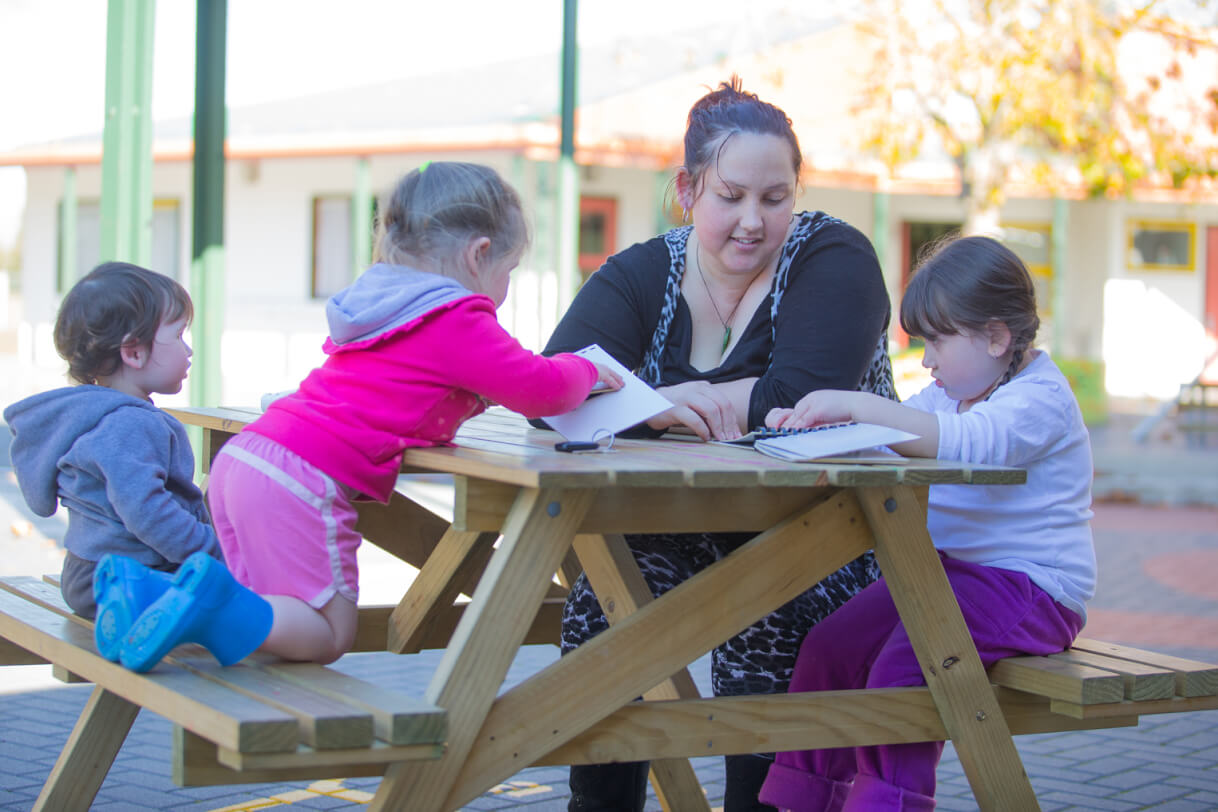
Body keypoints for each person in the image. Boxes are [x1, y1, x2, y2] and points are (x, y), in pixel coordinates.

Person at [105, 161, 623, 674]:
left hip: (246, 460)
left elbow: (411, 388)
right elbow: (541, 389)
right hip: (299, 478)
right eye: (508, 272)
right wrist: (587, 367)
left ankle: (148, 593)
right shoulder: (457, 317)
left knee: (264, 621)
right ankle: (199, 604)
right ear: (479, 254)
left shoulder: (387, 308)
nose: (505, 287)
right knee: (327, 633)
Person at [538, 77, 898, 811]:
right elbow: (554, 390)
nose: (753, 221)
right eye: (730, 196)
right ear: (687, 189)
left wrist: (638, 404)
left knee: (773, 609)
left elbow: (802, 399)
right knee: (606, 598)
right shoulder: (645, 271)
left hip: (828, 533)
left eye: (775, 197)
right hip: (684, 522)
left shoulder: (835, 256)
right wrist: (667, 402)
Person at [758, 235, 1096, 812]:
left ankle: (887, 804)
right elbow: (897, 443)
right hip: (946, 578)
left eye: (937, 341)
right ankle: (804, 799)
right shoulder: (952, 397)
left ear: (995, 336)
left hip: (1033, 589)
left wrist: (859, 406)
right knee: (828, 648)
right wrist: (813, 431)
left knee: (906, 665)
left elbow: (969, 446)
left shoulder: (1039, 398)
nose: (928, 359)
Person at [3, 262, 222, 661]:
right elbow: (148, 512)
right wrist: (212, 548)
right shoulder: (129, 424)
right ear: (134, 351)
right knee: (234, 605)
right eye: (178, 336)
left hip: (88, 574)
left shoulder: (93, 414)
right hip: (124, 579)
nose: (188, 349)